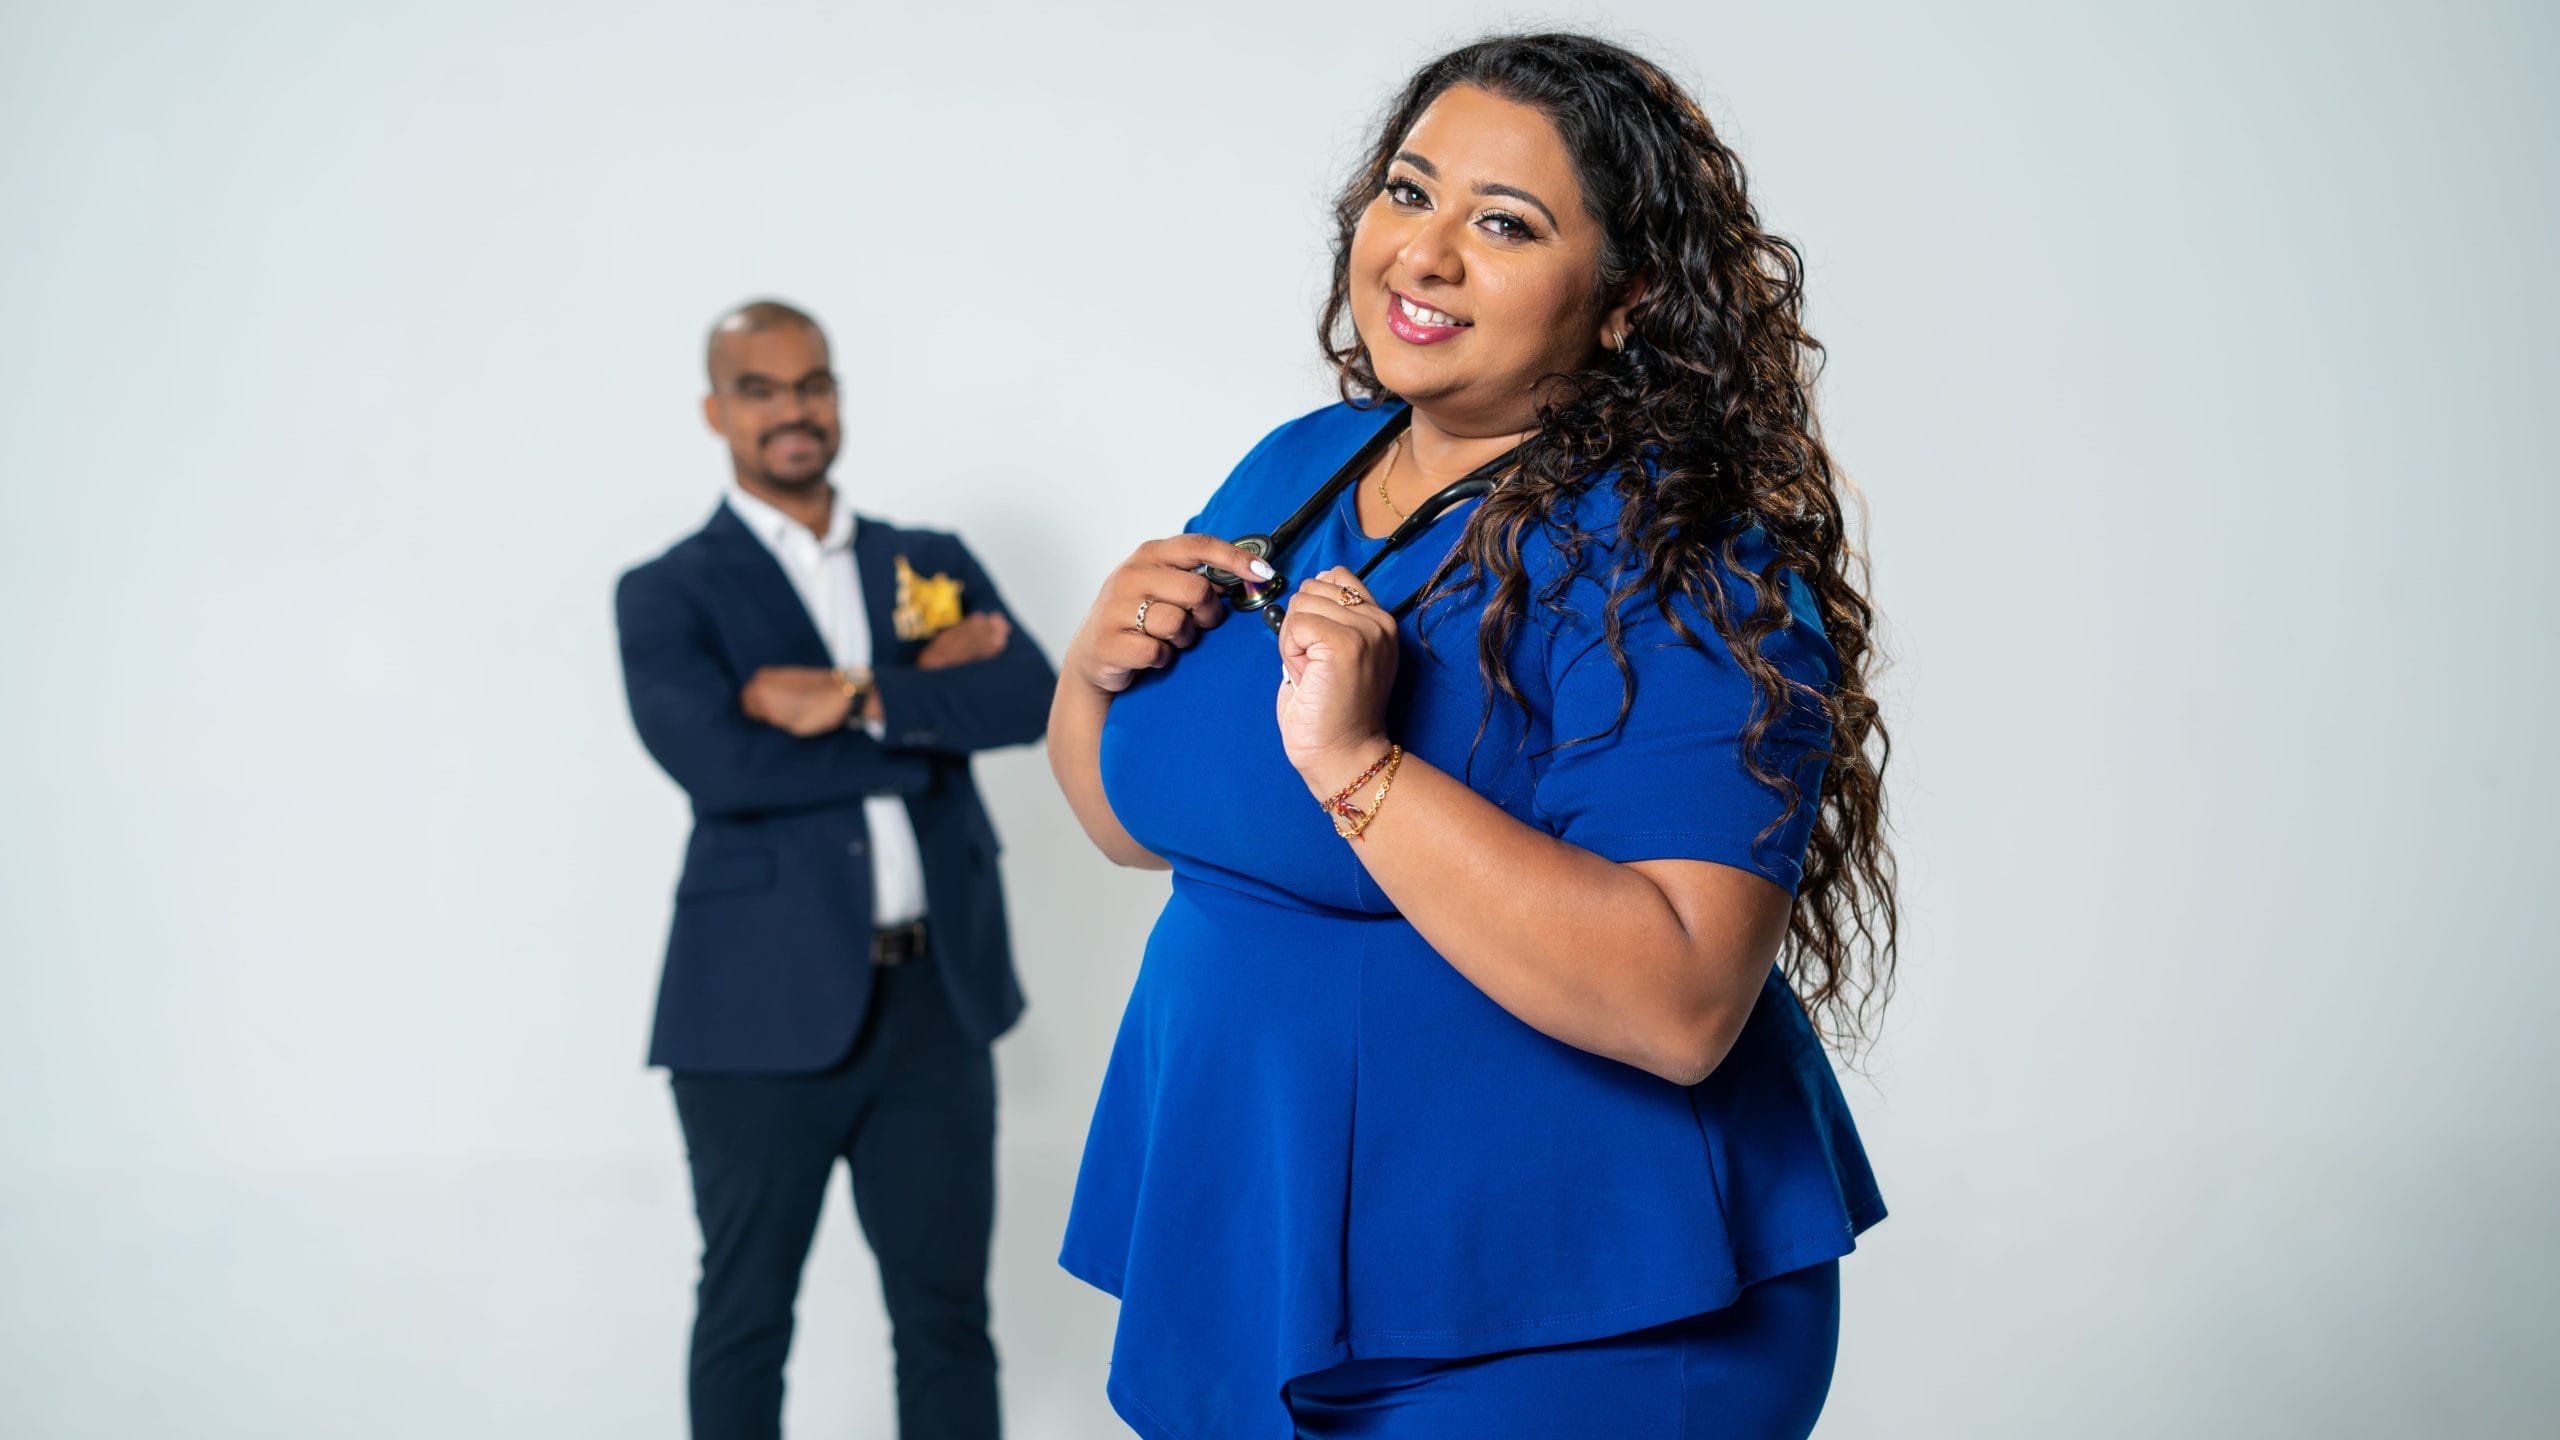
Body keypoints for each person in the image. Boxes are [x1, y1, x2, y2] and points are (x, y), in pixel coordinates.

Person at [1048, 35, 1896, 1440]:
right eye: (1408, 192)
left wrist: (1358, 767)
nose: (1424, 254)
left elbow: (1683, 1002)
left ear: (1627, 296)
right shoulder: (1300, 465)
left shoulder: (1678, 561)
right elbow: (1146, 824)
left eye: (1504, 224)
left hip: (1575, 1306)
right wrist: (1090, 675)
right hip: (1257, 1248)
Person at [615, 299, 1053, 1440]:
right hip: (751, 1018)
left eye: (811, 383)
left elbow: (1027, 698)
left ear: (837, 397)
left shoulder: (926, 560)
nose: (792, 409)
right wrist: (922, 718)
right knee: (748, 1314)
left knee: (947, 1319)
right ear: (716, 410)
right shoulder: (667, 590)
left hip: (935, 1006)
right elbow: (720, 766)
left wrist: (852, 695)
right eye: (759, 389)